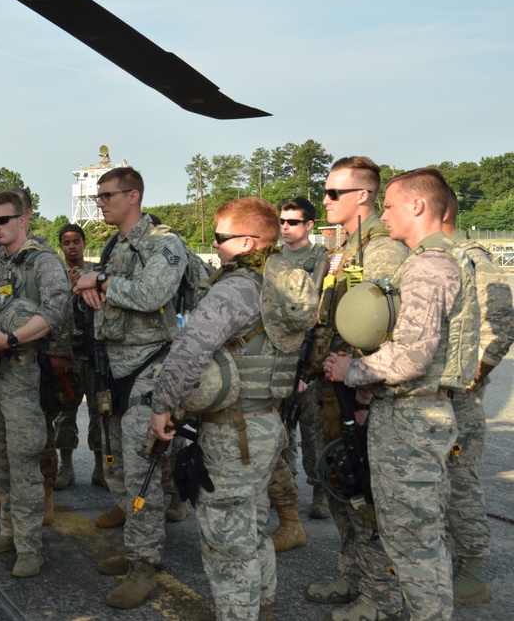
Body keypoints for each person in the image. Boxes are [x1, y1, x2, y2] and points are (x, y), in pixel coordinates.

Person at [325, 168, 479, 621]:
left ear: (417, 206)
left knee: (414, 542)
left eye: (389, 205)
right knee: (415, 537)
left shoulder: (428, 267)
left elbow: (411, 357)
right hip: (415, 414)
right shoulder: (433, 259)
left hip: (413, 417)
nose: (383, 213)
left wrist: (350, 370)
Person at [152, 197, 314, 620]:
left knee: (226, 541)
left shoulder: (236, 288)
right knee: (254, 527)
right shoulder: (279, 283)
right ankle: (263, 608)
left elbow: (190, 350)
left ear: (246, 241)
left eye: (221, 237)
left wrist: (162, 405)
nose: (215, 245)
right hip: (267, 423)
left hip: (232, 431)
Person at [73, 167, 185, 609]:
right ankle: (135, 546)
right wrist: (94, 290)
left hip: (148, 368)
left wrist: (99, 282)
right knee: (115, 464)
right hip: (112, 368)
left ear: (133, 195)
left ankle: (145, 564)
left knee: (143, 472)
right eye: (98, 196)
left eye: (106, 195)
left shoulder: (164, 241)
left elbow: (152, 294)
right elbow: (113, 293)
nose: (99, 202)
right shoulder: (115, 244)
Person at [306, 156, 408, 621]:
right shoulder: (346, 247)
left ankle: (380, 600)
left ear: (363, 196)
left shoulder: (380, 250)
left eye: (334, 193)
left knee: (365, 497)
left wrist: (366, 390)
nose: (324, 201)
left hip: (359, 392)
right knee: (342, 488)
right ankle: (353, 577)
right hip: (334, 387)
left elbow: (386, 324)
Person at [0, 189, 70, 578]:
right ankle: (9, 531)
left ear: (24, 218)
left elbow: (56, 311)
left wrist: (11, 339)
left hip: (23, 370)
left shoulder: (43, 262)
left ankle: (30, 546)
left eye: (3, 221)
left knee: (24, 460)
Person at [440, 188, 514, 605]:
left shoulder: (467, 257)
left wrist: (470, 379)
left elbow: (500, 324)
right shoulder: (429, 256)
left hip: (458, 398)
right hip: (433, 395)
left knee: (458, 481)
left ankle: (473, 571)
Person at [265, 197, 328, 556]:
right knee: (282, 431)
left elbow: (312, 304)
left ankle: (318, 488)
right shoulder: (273, 259)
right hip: (280, 353)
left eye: (293, 221)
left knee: (312, 429)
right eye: (282, 221)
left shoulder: (318, 258)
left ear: (308, 225)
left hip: (309, 355)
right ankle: (286, 501)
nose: (286, 226)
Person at [53, 223, 104, 490]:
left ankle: (100, 467)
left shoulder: (97, 272)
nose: (71, 247)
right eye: (66, 242)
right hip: (68, 355)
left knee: (99, 412)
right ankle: (67, 466)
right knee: (65, 413)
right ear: (61, 246)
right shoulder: (55, 276)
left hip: (94, 354)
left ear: (84, 243)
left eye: (76, 242)